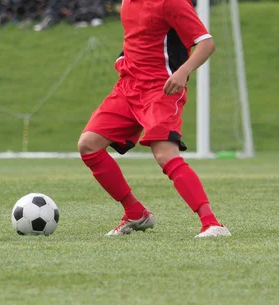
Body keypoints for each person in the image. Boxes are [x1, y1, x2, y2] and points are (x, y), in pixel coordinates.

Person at [77, 0, 231, 238]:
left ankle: (212, 223)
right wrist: (123, 59)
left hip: (161, 90)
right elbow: (139, 38)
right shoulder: (127, 3)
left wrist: (183, 71)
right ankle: (135, 212)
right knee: (88, 145)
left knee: (165, 155)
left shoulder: (172, 2)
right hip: (128, 87)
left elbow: (206, 44)